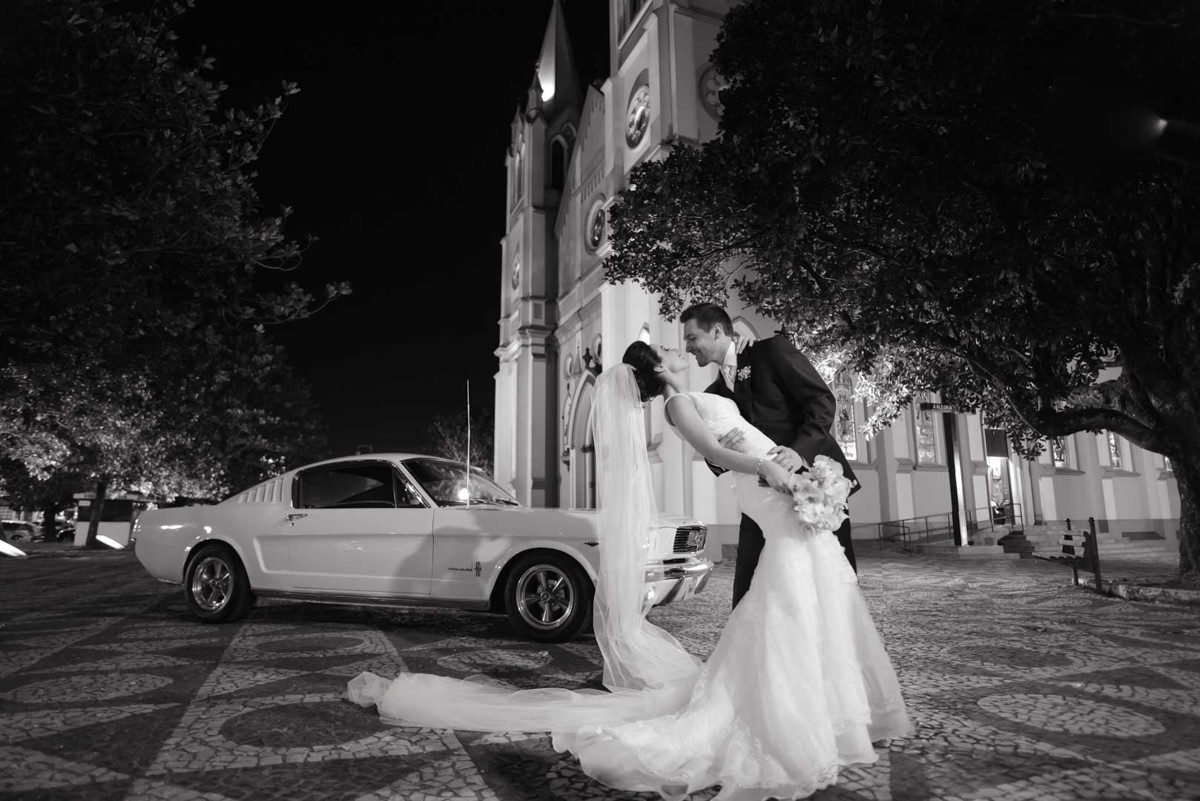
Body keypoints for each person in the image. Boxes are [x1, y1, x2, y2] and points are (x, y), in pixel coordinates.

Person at [347, 340, 911, 801]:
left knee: (805, 590)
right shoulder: (678, 404)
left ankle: (824, 706)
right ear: (656, 368)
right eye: (670, 346)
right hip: (765, 484)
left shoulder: (699, 392)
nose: (679, 345)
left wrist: (785, 467)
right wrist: (769, 467)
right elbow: (718, 451)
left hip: (775, 485)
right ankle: (790, 712)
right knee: (785, 595)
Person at [681, 302, 860, 609]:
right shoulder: (713, 394)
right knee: (748, 582)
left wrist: (798, 451)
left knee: (833, 575)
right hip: (762, 495)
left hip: (815, 484)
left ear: (716, 331)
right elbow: (714, 451)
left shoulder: (770, 352)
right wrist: (720, 453)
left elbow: (821, 400)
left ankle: (840, 647)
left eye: (692, 338)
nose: (687, 347)